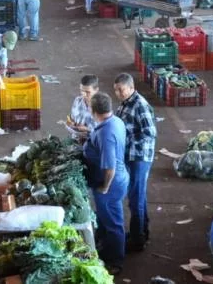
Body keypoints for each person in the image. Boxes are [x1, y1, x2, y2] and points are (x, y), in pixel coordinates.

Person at [83, 92, 128, 275]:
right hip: (116, 180)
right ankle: (104, 248)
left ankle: (115, 261)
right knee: (104, 218)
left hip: (111, 184)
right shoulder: (115, 121)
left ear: (93, 111)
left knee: (113, 223)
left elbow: (110, 168)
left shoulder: (106, 133)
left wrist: (105, 188)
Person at [113, 73, 156, 252]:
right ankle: (141, 231)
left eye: (121, 90)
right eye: (116, 90)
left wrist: (127, 140)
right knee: (138, 195)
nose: (118, 93)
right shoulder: (125, 104)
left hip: (139, 157)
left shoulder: (140, 105)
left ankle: (137, 240)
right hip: (130, 156)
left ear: (131, 88)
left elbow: (150, 132)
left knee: (135, 197)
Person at [68, 74, 99, 140]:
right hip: (76, 138)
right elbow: (72, 117)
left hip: (93, 142)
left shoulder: (101, 106)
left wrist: (87, 129)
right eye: (82, 91)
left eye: (87, 92)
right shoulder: (77, 100)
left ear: (96, 90)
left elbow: (104, 131)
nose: (84, 94)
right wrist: (71, 123)